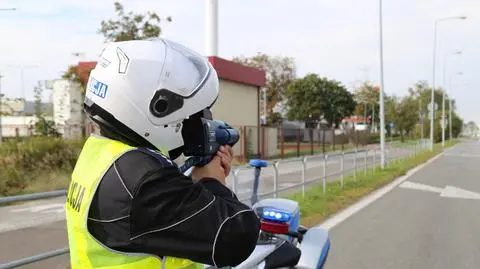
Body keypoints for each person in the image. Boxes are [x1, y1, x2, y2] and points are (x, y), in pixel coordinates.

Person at [65, 38, 260, 269]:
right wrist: (212, 181)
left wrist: (194, 184)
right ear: (159, 108)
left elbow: (156, 222)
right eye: (194, 114)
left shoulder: (103, 155)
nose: (196, 122)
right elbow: (235, 234)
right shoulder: (142, 181)